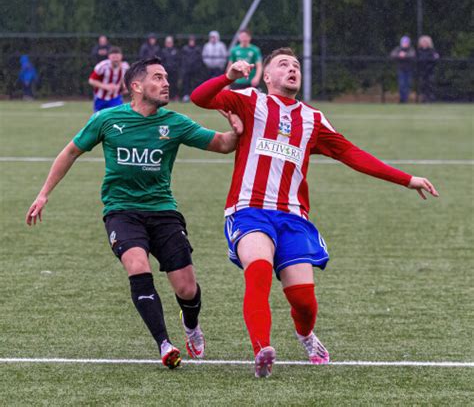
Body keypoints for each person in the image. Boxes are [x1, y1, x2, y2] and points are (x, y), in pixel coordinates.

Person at [191, 47, 439, 378]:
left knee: (304, 301)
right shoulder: (249, 100)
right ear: (266, 76)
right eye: (282, 65)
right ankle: (261, 349)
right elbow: (199, 97)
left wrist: (406, 179)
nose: (292, 69)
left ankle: (305, 334)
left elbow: (352, 154)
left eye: (296, 65)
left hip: (293, 218)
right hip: (249, 210)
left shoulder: (312, 119)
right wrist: (229, 77)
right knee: (260, 269)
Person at [26, 56, 243, 370]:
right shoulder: (107, 120)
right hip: (121, 211)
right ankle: (164, 344)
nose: (166, 82)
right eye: (157, 77)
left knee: (186, 288)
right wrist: (44, 193)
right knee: (137, 266)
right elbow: (71, 151)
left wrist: (235, 132)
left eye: (166, 76)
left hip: (163, 211)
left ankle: (191, 324)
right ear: (136, 86)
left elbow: (222, 145)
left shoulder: (176, 123)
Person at [88, 46, 130, 112]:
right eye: (113, 57)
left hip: (115, 97)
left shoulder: (125, 67)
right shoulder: (102, 66)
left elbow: (124, 80)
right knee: (99, 119)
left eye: (117, 57)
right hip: (100, 97)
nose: (115, 60)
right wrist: (106, 86)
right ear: (109, 57)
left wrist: (124, 87)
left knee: (118, 118)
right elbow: (91, 80)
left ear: (121, 57)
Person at [390, 36, 416, 103]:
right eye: (404, 42)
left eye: (406, 42)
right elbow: (392, 55)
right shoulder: (398, 49)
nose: (405, 44)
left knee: (408, 85)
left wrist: (405, 55)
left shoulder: (411, 49)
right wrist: (399, 55)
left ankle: (405, 99)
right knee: (401, 85)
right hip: (401, 70)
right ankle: (402, 99)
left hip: (409, 70)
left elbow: (412, 55)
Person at [417, 35, 439, 103]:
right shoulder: (418, 51)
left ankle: (431, 99)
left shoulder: (432, 51)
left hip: (430, 71)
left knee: (430, 85)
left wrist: (435, 59)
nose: (424, 43)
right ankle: (424, 99)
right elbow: (417, 61)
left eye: (426, 42)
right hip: (421, 71)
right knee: (422, 86)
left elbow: (435, 61)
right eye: (423, 42)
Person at [181, 35, 203, 102]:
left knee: (195, 83)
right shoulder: (185, 49)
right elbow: (183, 59)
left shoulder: (197, 49)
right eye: (190, 40)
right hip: (187, 70)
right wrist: (184, 68)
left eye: (193, 40)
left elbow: (200, 59)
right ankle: (186, 96)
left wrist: (197, 67)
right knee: (186, 83)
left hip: (195, 70)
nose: (192, 42)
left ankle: (196, 96)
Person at [160, 36, 180, 100]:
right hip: (165, 71)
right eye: (168, 42)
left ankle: (174, 96)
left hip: (174, 71)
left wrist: (174, 67)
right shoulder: (163, 51)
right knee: (165, 84)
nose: (169, 44)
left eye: (170, 42)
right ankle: (166, 96)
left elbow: (178, 60)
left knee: (174, 84)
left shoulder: (175, 51)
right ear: (165, 43)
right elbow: (161, 61)